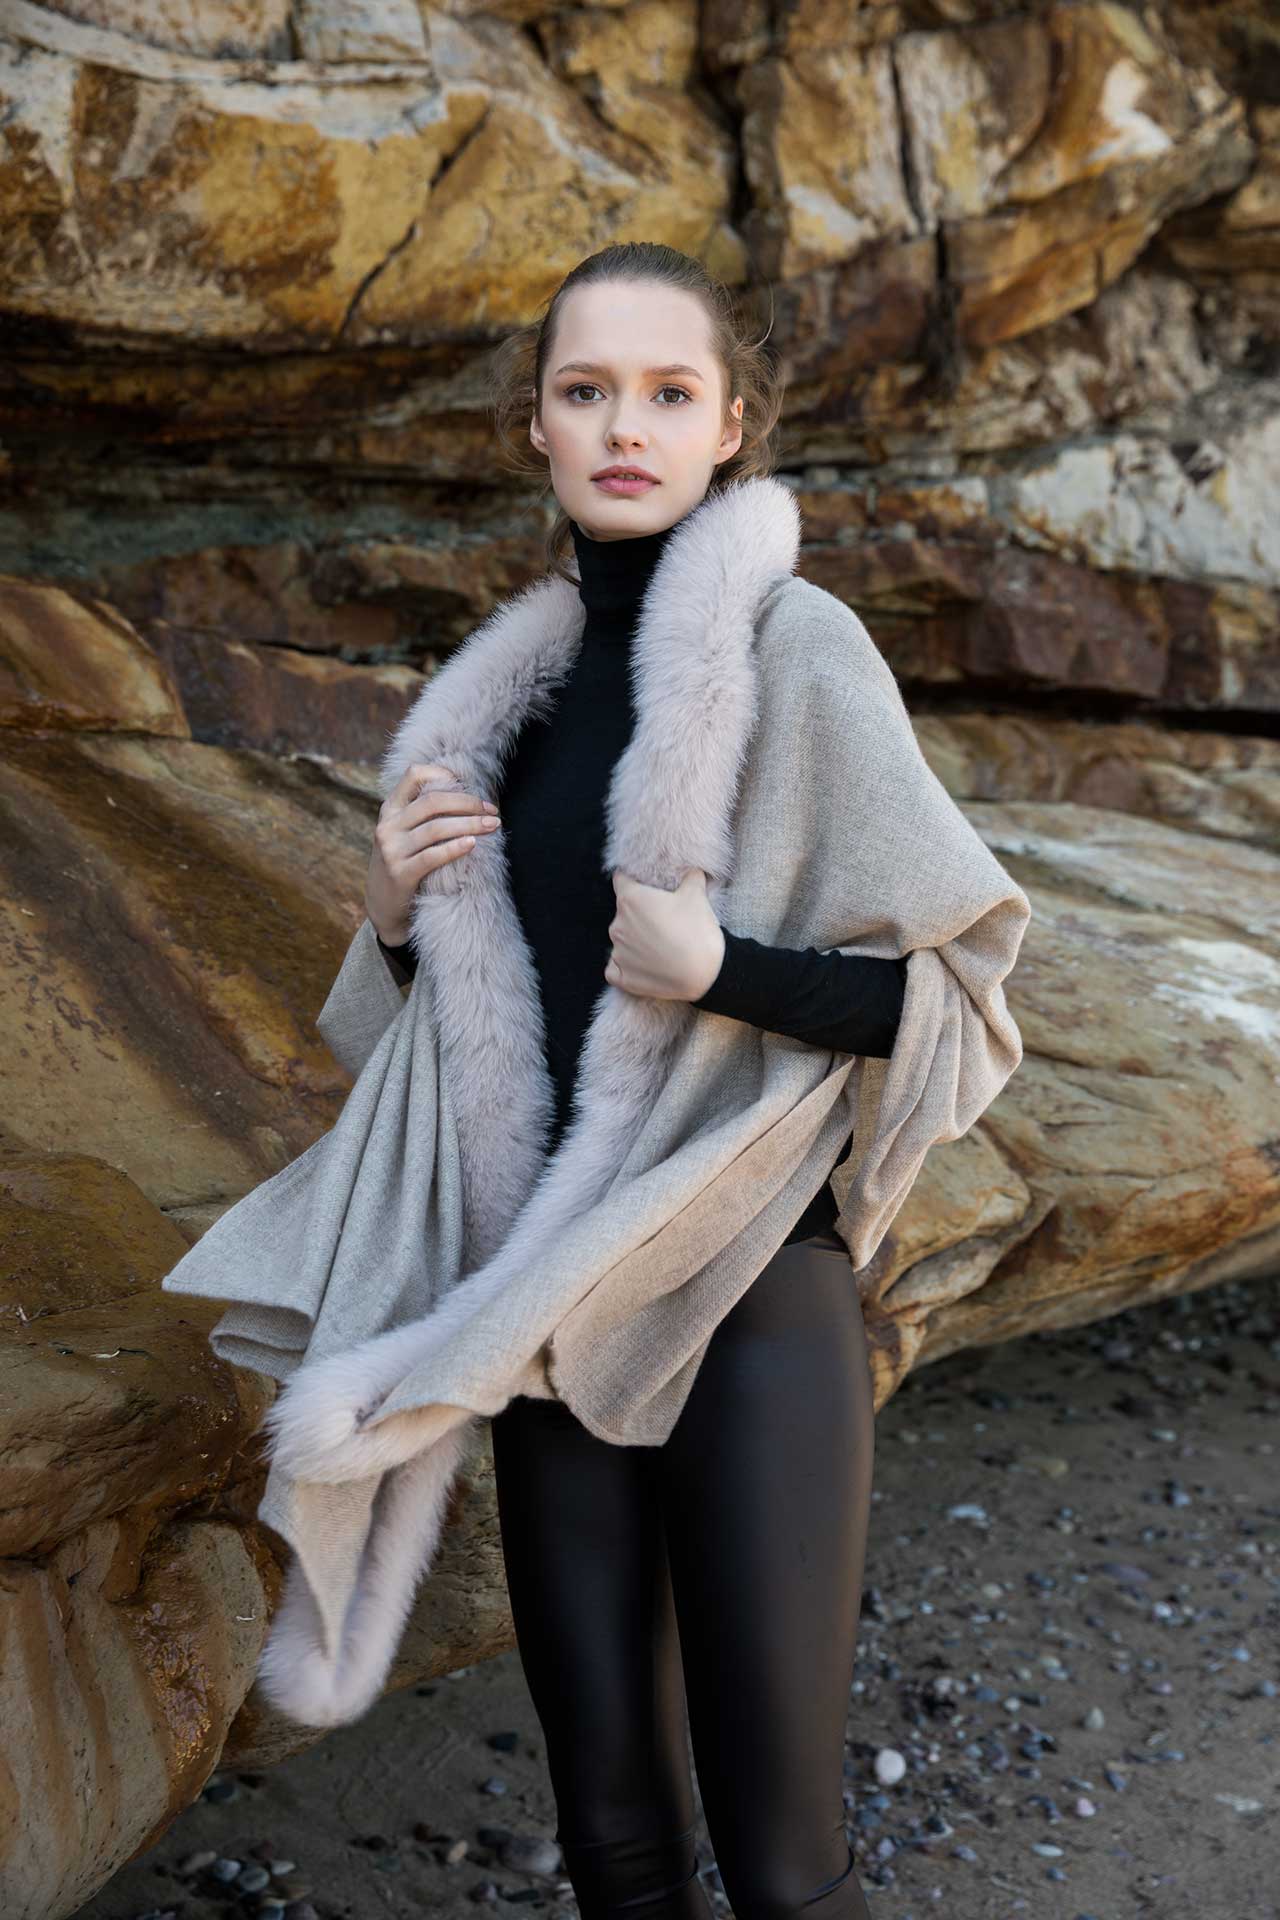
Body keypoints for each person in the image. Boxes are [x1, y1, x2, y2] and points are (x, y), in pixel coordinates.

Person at [361, 244, 899, 1920]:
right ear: (535, 423)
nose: (626, 426)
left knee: (784, 1865)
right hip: (551, 1294)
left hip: (751, 1286)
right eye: (587, 391)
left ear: (732, 424)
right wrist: (391, 922)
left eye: (670, 393)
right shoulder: (495, 711)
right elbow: (447, 1048)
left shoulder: (795, 648)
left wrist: (723, 968)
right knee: (613, 1834)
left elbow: (943, 994)